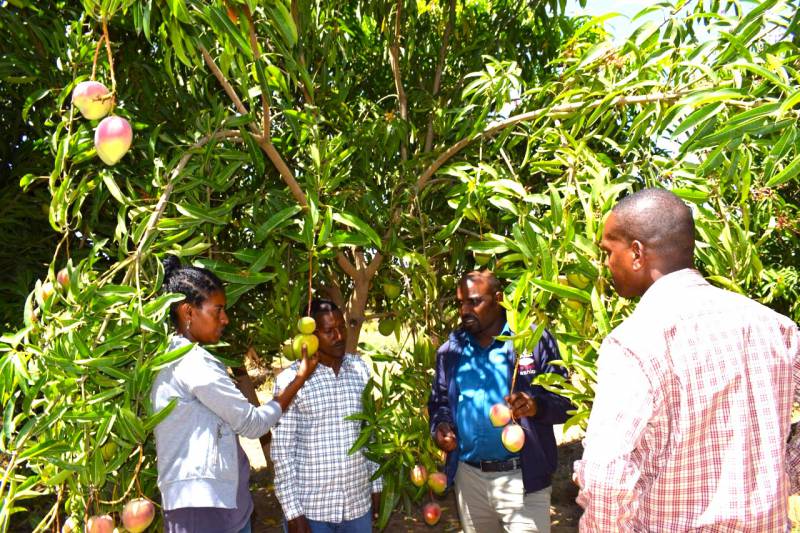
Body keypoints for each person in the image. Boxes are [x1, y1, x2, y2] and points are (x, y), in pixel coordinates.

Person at [573, 188, 800, 531]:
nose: (607, 264)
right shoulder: (775, 327)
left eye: (609, 251)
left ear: (636, 253)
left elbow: (605, 474)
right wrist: (784, 474)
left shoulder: (635, 342)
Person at [151, 255, 318, 533]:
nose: (225, 319)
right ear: (188, 312)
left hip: (212, 502)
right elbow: (252, 424)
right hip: (204, 508)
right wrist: (298, 379)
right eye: (218, 311)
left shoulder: (173, 357)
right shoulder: (191, 362)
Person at [428, 270, 572, 533]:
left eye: (474, 301)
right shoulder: (451, 352)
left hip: (523, 480)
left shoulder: (531, 340)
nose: (464, 310)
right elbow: (438, 403)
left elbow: (565, 401)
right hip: (469, 479)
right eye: (460, 303)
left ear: (498, 299)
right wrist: (441, 426)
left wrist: (536, 405)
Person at [271, 298, 382, 533]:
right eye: (329, 331)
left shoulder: (360, 370)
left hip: (357, 505)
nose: (340, 336)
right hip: (312, 510)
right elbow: (282, 452)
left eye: (341, 328)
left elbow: (369, 434)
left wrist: (376, 485)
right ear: (311, 335)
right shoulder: (290, 382)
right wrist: (292, 513)